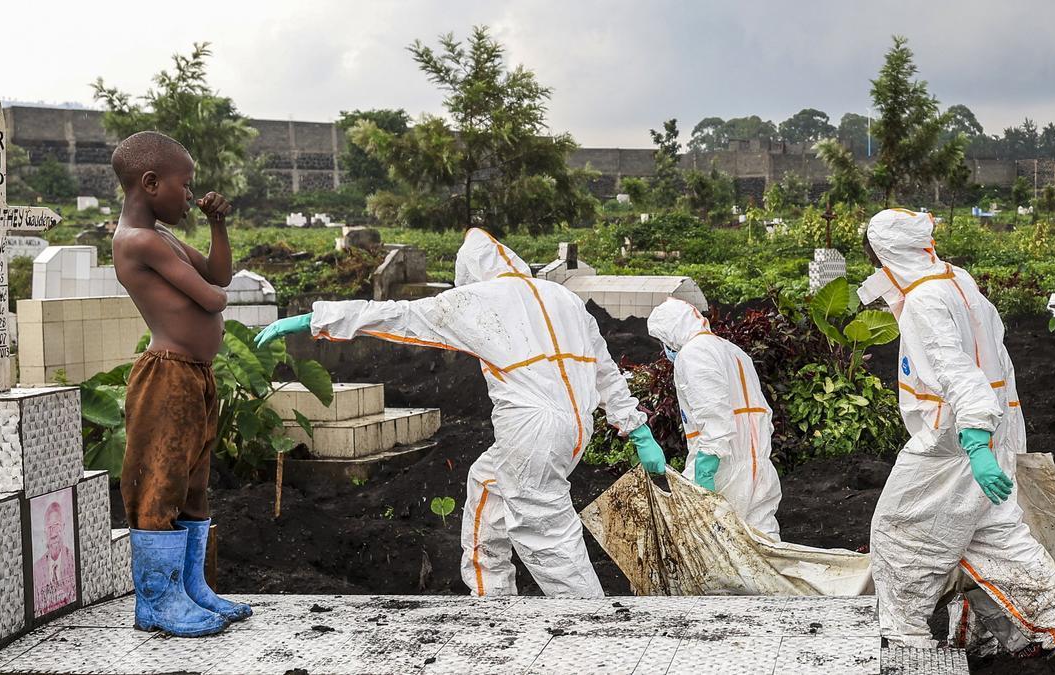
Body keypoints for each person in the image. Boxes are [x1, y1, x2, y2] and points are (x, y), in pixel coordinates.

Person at [256, 228, 667, 598]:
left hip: (531, 428)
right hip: (576, 424)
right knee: (486, 482)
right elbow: (605, 367)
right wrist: (636, 429)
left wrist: (318, 319)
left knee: (545, 533)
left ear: (468, 273)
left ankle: (591, 623)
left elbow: (401, 315)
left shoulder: (480, 298)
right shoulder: (562, 297)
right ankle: (492, 596)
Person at [862, 208, 1055, 667]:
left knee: (899, 534)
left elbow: (960, 375)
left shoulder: (924, 301)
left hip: (951, 441)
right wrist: (998, 439)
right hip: (986, 431)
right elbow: (997, 358)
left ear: (887, 253)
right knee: (996, 536)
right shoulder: (958, 281)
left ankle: (903, 639)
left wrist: (975, 444)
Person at [111, 131, 250, 638]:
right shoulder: (139, 240)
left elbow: (219, 272)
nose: (191, 195)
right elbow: (214, 297)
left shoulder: (164, 237)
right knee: (159, 484)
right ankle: (158, 601)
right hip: (166, 375)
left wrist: (218, 224)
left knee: (192, 483)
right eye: (185, 186)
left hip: (194, 375)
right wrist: (213, 290)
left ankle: (191, 589)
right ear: (151, 183)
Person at [646, 298, 781, 540]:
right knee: (763, 546)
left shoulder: (694, 353)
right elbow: (761, 411)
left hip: (722, 467)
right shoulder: (733, 351)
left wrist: (706, 467)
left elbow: (714, 414)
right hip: (758, 465)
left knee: (700, 544)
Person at [32, 500, 76, 614]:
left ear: (63, 526)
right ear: (45, 532)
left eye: (56, 525)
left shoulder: (73, 559)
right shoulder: (36, 569)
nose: (53, 532)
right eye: (49, 527)